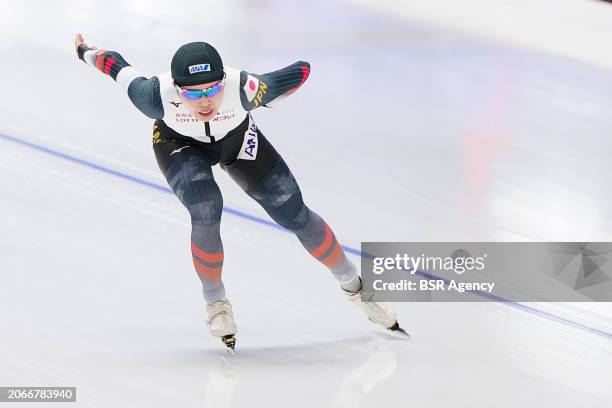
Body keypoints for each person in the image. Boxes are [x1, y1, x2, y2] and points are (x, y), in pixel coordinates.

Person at [73, 34, 406, 351]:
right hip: (179, 144)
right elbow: (115, 65)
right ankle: (215, 302)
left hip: (237, 139)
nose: (204, 101)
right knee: (206, 208)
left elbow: (300, 70)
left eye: (212, 90)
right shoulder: (152, 96)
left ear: (224, 83)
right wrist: (85, 52)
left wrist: (277, 94)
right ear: (176, 89)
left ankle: (356, 287)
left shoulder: (245, 88)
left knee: (294, 215)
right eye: (192, 94)